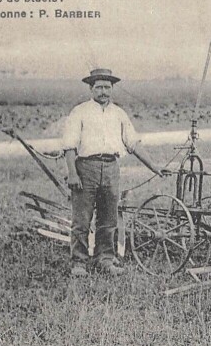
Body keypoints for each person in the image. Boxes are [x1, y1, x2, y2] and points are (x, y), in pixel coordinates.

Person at [62, 68, 164, 277]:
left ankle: (105, 259)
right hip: (86, 168)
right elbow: (69, 146)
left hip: (111, 167)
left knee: (108, 219)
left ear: (112, 89)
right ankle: (79, 263)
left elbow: (133, 143)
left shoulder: (119, 114)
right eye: (99, 87)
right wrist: (73, 174)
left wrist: (153, 166)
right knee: (82, 219)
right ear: (91, 89)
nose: (103, 92)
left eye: (107, 87)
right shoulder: (79, 112)